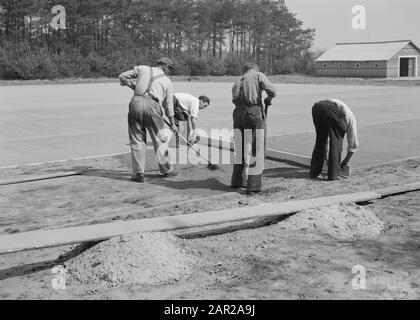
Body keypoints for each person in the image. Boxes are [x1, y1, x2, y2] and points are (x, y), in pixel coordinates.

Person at [119, 57, 179, 183]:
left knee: (137, 140)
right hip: (153, 105)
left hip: (136, 102)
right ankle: (167, 170)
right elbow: (168, 106)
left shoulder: (142, 69)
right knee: (159, 139)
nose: (169, 71)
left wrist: (132, 85)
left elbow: (122, 76)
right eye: (170, 68)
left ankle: (139, 173)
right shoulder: (167, 81)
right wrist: (173, 123)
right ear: (164, 66)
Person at [231, 62, 277, 194]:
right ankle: (253, 185)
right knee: (258, 148)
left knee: (240, 148)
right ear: (255, 69)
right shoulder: (257, 75)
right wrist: (268, 98)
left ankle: (236, 181)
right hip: (253, 111)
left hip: (238, 114)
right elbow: (272, 90)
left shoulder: (237, 81)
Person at [310, 98, 359, 181]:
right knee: (336, 142)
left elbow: (326, 142)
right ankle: (333, 175)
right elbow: (353, 144)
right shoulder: (351, 121)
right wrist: (345, 161)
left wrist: (327, 159)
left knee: (320, 139)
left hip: (317, 107)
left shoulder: (344, 119)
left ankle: (314, 172)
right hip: (333, 108)